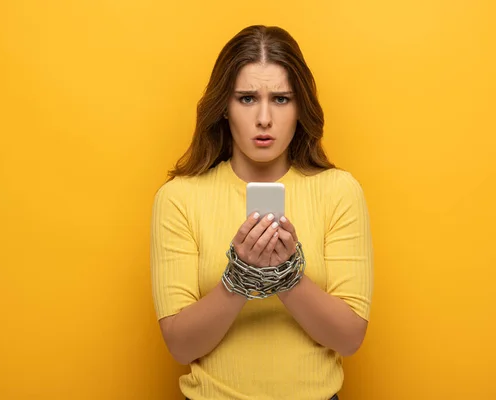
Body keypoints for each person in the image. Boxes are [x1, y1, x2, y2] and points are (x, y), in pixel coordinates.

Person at [150, 24, 374, 400]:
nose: (265, 118)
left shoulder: (339, 191)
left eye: (282, 99)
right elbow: (180, 347)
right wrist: (239, 277)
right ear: (224, 107)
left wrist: (287, 277)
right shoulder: (179, 198)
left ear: (300, 107)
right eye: (248, 98)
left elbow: (350, 338)